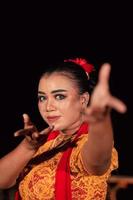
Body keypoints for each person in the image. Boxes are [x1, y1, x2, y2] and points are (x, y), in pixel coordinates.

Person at [0, 57, 127, 200]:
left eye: (59, 96)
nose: (48, 107)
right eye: (42, 98)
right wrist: (28, 147)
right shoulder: (43, 143)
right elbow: (2, 181)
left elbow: (97, 162)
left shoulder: (86, 143)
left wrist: (100, 121)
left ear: (83, 100)